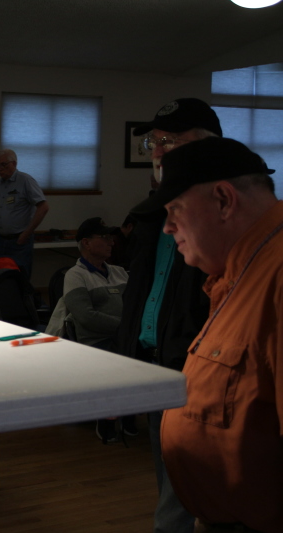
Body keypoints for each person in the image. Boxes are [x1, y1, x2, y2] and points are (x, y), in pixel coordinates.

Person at [130, 136, 281, 533]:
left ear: (223, 200)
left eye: (175, 209)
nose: (167, 228)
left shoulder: (277, 275)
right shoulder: (237, 273)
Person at [116, 97, 221, 533]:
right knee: (168, 474)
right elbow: (139, 291)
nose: (158, 151)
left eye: (170, 141)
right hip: (152, 361)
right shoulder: (152, 212)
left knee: (183, 498)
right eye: (154, 142)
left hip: (195, 369)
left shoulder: (219, 215)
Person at [61, 217, 129, 442]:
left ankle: (131, 413)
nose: (112, 242)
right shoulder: (75, 275)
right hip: (97, 341)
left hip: (125, 336)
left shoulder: (119, 272)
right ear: (87, 243)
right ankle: (108, 416)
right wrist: (125, 327)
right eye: (105, 237)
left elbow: (136, 306)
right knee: (118, 359)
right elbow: (86, 317)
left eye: (112, 238)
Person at [0, 149, 49, 280]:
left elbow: (43, 207)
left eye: (4, 164)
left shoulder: (25, 181)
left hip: (19, 242)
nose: (0, 169)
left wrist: (26, 234)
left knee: (19, 280)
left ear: (14, 163)